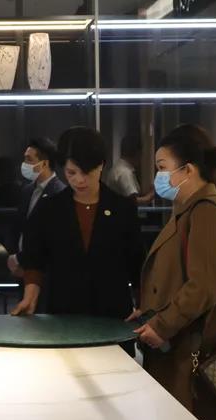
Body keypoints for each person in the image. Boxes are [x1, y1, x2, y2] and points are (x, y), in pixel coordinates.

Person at [130, 125, 216, 420]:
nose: (158, 177)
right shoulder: (194, 206)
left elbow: (204, 286)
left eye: (162, 168)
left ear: (188, 170)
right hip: (191, 341)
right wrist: (150, 312)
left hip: (198, 348)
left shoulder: (206, 211)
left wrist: (162, 325)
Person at [12, 127, 141, 318]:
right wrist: (30, 296)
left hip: (112, 314)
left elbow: (137, 263)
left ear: (101, 165)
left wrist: (143, 304)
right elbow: (35, 259)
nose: (79, 180)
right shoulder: (50, 209)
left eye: (87, 172)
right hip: (63, 313)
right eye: (71, 172)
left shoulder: (122, 209)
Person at [7, 137, 66, 276]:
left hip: (46, 272)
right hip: (22, 269)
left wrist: (21, 259)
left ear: (44, 163)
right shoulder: (27, 190)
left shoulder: (60, 194)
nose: (24, 164)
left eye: (29, 159)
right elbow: (19, 227)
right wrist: (15, 257)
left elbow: (51, 239)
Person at [107, 134, 154, 205]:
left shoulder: (117, 168)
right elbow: (133, 201)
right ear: (138, 153)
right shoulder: (125, 173)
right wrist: (151, 195)